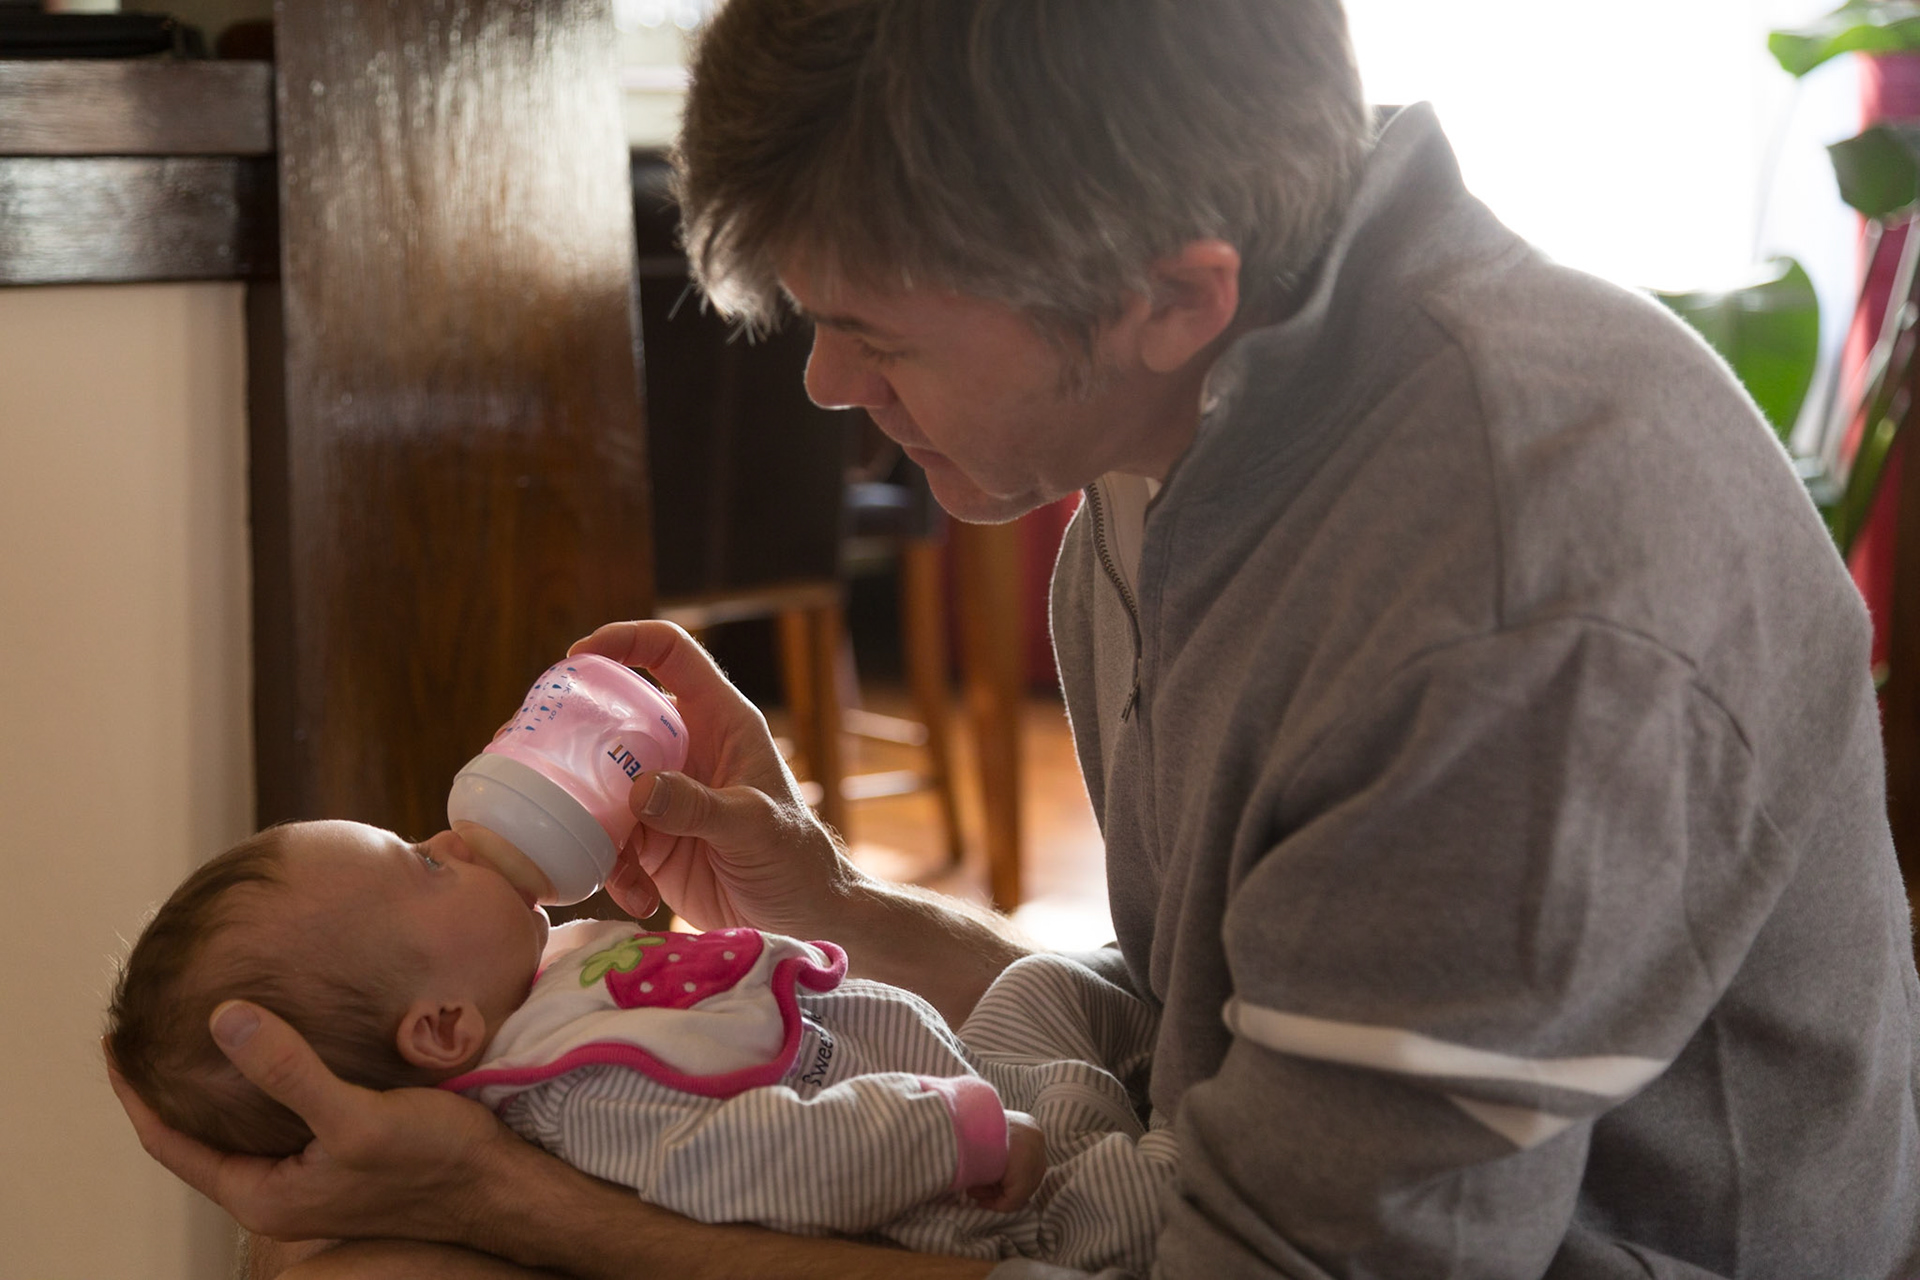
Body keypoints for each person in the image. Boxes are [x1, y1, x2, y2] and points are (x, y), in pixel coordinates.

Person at [109, 0, 1920, 1276]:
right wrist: (819, 902)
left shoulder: (1509, 615)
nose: (825, 385)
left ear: (1167, 296)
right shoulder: (1185, 445)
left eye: (876, 331)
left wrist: (520, 1211)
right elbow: (1185, 1047)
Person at [106, 818, 1174, 1272]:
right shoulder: (588, 1095)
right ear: (442, 1028)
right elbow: (780, 1158)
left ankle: (1169, 1055)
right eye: (420, 868)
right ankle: (1176, 1133)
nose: (446, 839)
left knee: (1046, 985)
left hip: (964, 1072)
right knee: (1157, 1191)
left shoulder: (552, 995)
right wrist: (961, 1135)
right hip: (992, 1208)